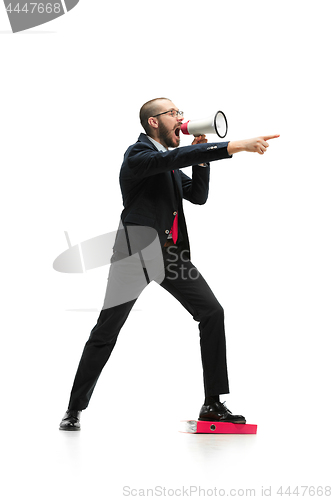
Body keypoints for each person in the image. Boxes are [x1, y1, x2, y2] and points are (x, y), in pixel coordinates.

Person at [59, 97, 279, 431]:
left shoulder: (168, 163)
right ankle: (74, 408)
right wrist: (234, 146)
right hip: (135, 256)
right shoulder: (138, 156)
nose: (181, 117)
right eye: (174, 113)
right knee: (106, 332)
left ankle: (213, 404)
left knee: (212, 312)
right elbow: (176, 156)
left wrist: (203, 160)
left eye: (180, 112)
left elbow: (198, 196)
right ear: (153, 122)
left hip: (169, 255)